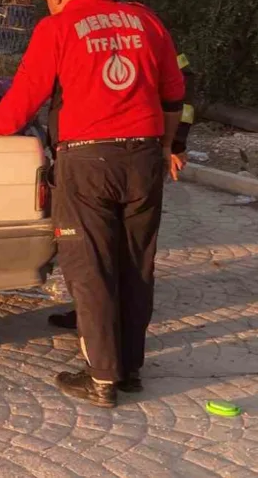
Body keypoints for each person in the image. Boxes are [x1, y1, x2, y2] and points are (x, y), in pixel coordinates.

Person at [0, 0, 185, 408]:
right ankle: (129, 368)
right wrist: (166, 149)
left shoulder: (59, 27)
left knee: (90, 268)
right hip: (143, 157)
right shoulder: (145, 20)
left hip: (87, 162)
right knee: (135, 262)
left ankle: (101, 378)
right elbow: (174, 94)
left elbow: (25, 97)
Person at [48, 52, 198, 331]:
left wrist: (175, 143)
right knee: (95, 248)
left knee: (120, 249)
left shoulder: (143, 28)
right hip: (82, 150)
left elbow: (180, 88)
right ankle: (94, 316)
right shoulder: (84, 30)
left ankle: (110, 329)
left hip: (127, 152)